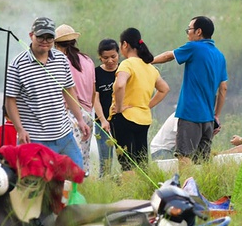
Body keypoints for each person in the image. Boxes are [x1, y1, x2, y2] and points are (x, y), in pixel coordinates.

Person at [4, 17, 91, 167]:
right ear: (31, 35)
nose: (45, 41)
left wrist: (80, 119)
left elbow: (69, 90)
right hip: (35, 138)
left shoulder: (61, 59)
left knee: (77, 173)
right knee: (39, 182)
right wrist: (20, 129)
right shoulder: (17, 65)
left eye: (49, 37)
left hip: (64, 134)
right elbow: (10, 100)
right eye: (41, 36)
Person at [152, 15, 228, 164]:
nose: (187, 33)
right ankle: (200, 187)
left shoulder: (194, 47)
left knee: (184, 156)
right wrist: (216, 115)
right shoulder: (220, 56)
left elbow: (169, 56)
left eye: (189, 29)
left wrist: (147, 60)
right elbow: (223, 88)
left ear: (198, 31)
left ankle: (186, 188)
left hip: (190, 113)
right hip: (208, 118)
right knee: (201, 161)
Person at [109, 27, 169, 170]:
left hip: (124, 117)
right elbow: (164, 89)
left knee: (127, 164)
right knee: (141, 163)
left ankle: (129, 192)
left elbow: (119, 85)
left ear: (125, 44)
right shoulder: (149, 67)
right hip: (143, 119)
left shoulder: (127, 64)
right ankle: (142, 190)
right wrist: (146, 105)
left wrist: (118, 107)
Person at [54, 24, 96, 165]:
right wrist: (89, 109)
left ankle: (70, 186)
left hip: (71, 114)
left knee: (70, 158)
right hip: (88, 114)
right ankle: (84, 185)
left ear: (56, 44)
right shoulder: (88, 60)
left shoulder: (61, 60)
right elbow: (93, 89)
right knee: (84, 156)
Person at [91, 38, 119, 176]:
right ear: (100, 57)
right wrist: (102, 120)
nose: (110, 61)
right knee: (106, 160)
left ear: (118, 54)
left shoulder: (124, 69)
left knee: (127, 156)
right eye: (105, 58)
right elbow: (95, 98)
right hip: (102, 121)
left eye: (113, 57)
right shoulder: (96, 73)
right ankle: (106, 183)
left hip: (122, 119)